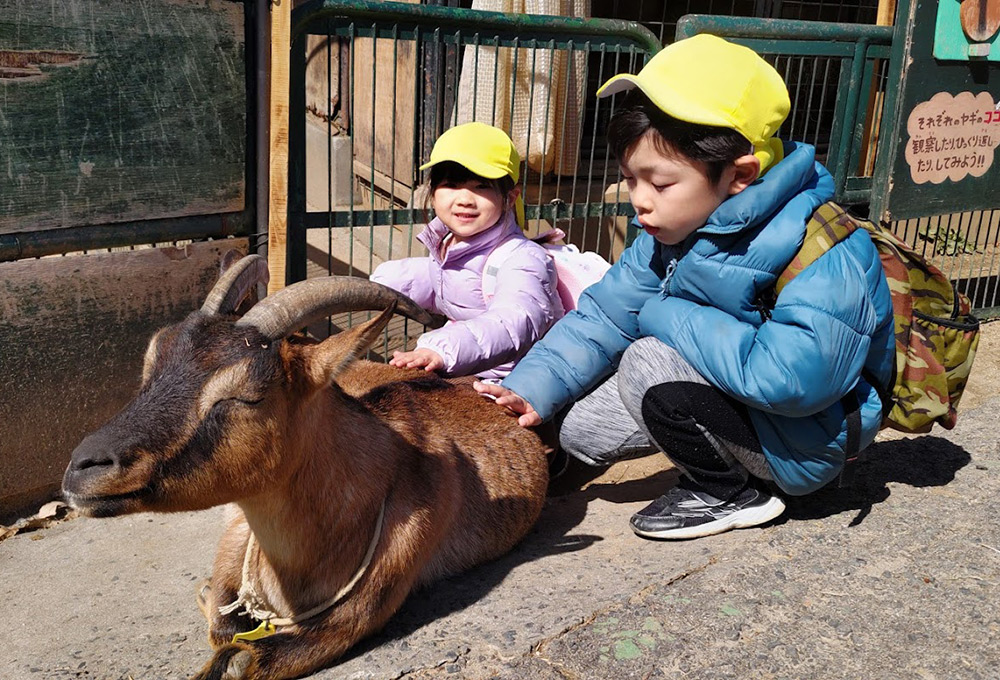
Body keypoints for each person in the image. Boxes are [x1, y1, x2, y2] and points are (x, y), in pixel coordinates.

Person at [474, 34, 896, 540]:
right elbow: (604, 317)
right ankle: (586, 454)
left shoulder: (824, 249)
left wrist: (666, 313)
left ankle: (733, 493)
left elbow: (794, 382)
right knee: (579, 429)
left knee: (645, 360)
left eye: (661, 183)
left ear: (739, 175)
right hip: (734, 397)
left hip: (808, 439)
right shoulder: (673, 230)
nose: (640, 202)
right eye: (631, 179)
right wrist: (527, 390)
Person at [371, 121, 563, 381]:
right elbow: (448, 282)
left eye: (481, 186)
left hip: (513, 378)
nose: (464, 199)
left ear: (509, 198)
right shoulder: (449, 242)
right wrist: (383, 285)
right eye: (451, 185)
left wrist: (443, 349)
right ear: (434, 193)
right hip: (468, 364)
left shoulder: (523, 259)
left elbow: (514, 321)